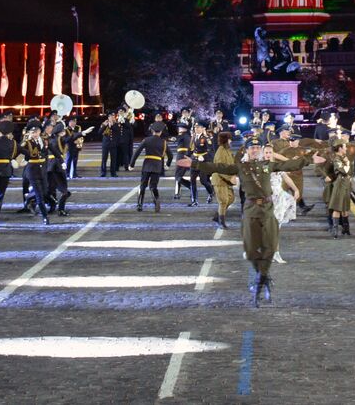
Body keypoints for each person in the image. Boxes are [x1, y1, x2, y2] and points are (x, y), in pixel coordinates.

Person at [196, 135, 318, 305]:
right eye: (251, 148)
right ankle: (262, 277)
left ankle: (262, 278)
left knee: (268, 247)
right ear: (247, 150)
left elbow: (289, 164)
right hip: (250, 209)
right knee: (251, 249)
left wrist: (309, 159)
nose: (254, 150)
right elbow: (218, 166)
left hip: (268, 209)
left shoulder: (269, 165)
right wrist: (196, 164)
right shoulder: (241, 166)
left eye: (257, 148)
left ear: (261, 151)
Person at [132, 122, 169, 212]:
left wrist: (131, 164)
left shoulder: (146, 140)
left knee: (143, 185)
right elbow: (170, 155)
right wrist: (167, 164)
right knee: (153, 186)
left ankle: (140, 205)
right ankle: (156, 202)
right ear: (160, 132)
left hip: (147, 165)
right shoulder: (163, 142)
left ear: (152, 131)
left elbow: (137, 152)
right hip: (157, 165)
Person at [208, 131, 238, 230]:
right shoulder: (220, 151)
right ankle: (221, 222)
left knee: (231, 198)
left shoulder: (227, 150)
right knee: (223, 201)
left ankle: (218, 215)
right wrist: (230, 178)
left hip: (226, 180)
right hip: (220, 180)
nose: (231, 141)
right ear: (226, 140)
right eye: (229, 139)